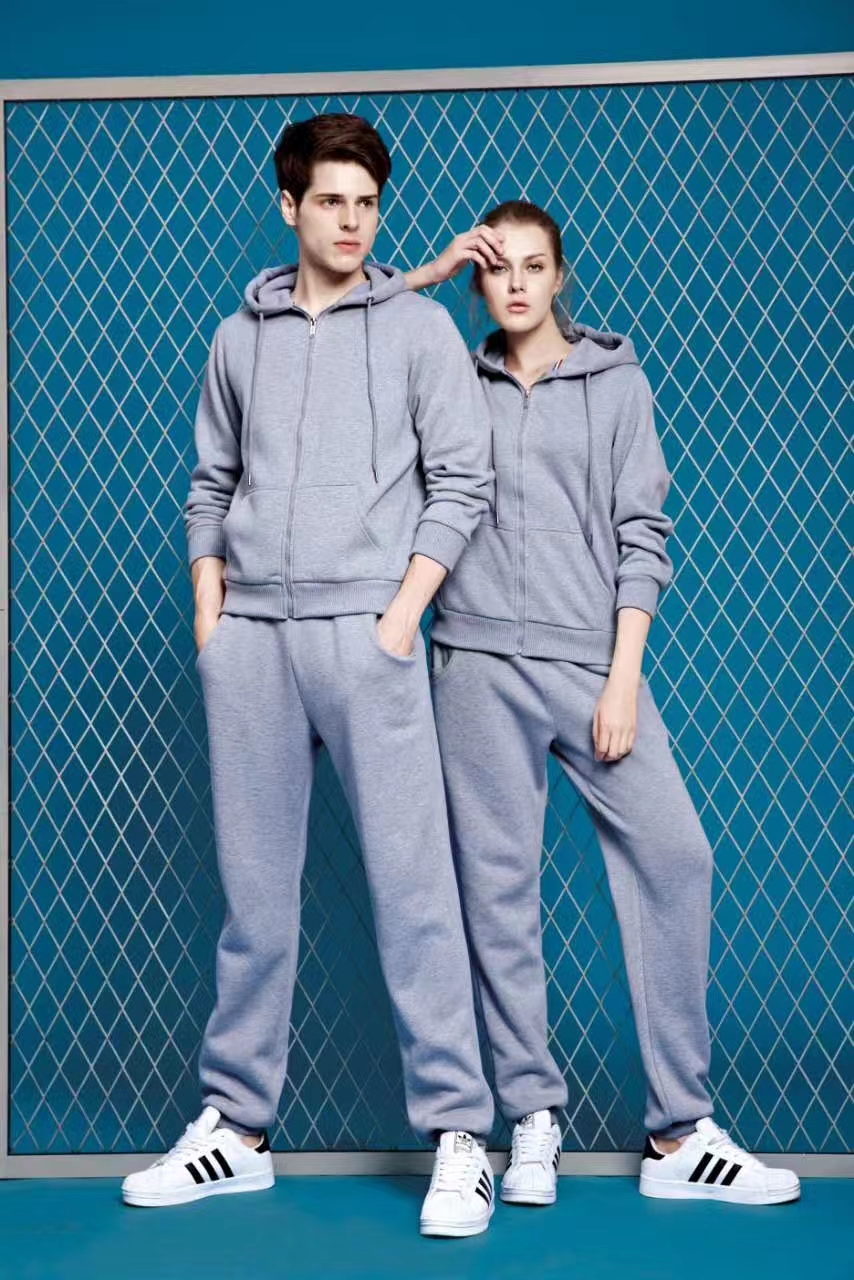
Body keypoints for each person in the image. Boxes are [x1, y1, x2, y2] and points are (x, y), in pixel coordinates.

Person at [122, 113, 499, 1239]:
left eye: (366, 203)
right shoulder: (237, 339)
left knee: (415, 892)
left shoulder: (421, 328)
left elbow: (462, 481)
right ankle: (237, 1131)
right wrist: (212, 613)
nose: (350, 221)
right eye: (330, 200)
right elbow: (210, 481)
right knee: (254, 897)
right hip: (253, 642)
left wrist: (399, 617)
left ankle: (459, 1135)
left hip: (366, 637)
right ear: (289, 206)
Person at [405, 201, 801, 1208]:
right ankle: (531, 1114)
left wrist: (621, 675)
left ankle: (678, 1132)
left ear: (560, 276)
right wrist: (426, 274)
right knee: (497, 895)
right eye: (497, 268)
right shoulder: (449, 374)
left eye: (534, 266)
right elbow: (353, 330)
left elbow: (642, 532)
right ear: (478, 281)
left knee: (675, 854)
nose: (516, 284)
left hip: (590, 662)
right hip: (475, 663)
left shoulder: (616, 381)